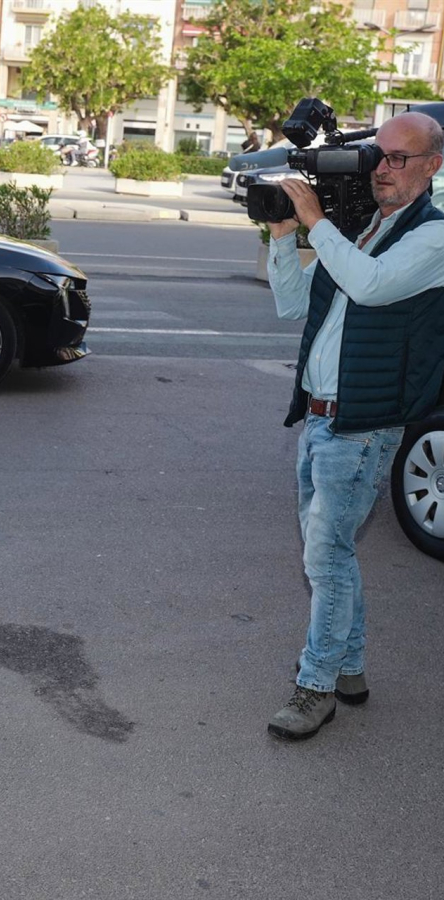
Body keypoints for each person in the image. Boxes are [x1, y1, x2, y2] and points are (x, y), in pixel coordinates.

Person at [265, 111, 444, 741]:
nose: (381, 169)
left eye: (398, 158)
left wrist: (316, 221)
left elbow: (369, 287)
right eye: (378, 156)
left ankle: (315, 687)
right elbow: (293, 303)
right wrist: (284, 236)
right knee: (333, 553)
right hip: (318, 418)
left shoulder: (434, 237)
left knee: (325, 555)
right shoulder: (363, 230)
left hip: (364, 424)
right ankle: (349, 667)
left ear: (433, 167)